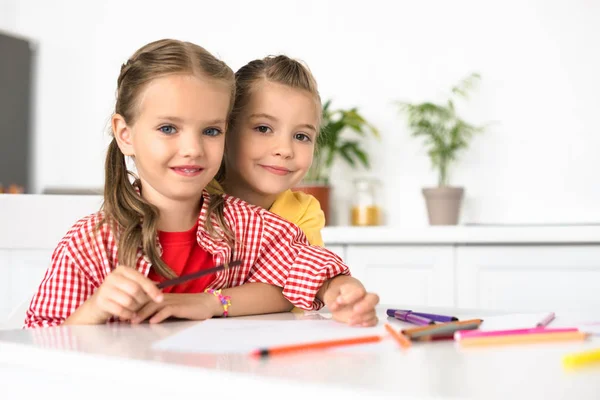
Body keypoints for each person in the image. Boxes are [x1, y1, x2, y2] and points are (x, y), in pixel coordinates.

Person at [24, 39, 379, 329]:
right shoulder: (89, 243)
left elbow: (307, 270)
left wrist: (340, 288)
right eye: (168, 128)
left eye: (211, 131)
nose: (193, 149)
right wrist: (96, 308)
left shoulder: (253, 227)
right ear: (125, 134)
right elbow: (39, 343)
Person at [214, 55, 326, 246]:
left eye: (301, 136)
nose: (284, 150)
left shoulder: (304, 213)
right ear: (226, 129)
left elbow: (307, 272)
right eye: (263, 129)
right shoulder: (193, 197)